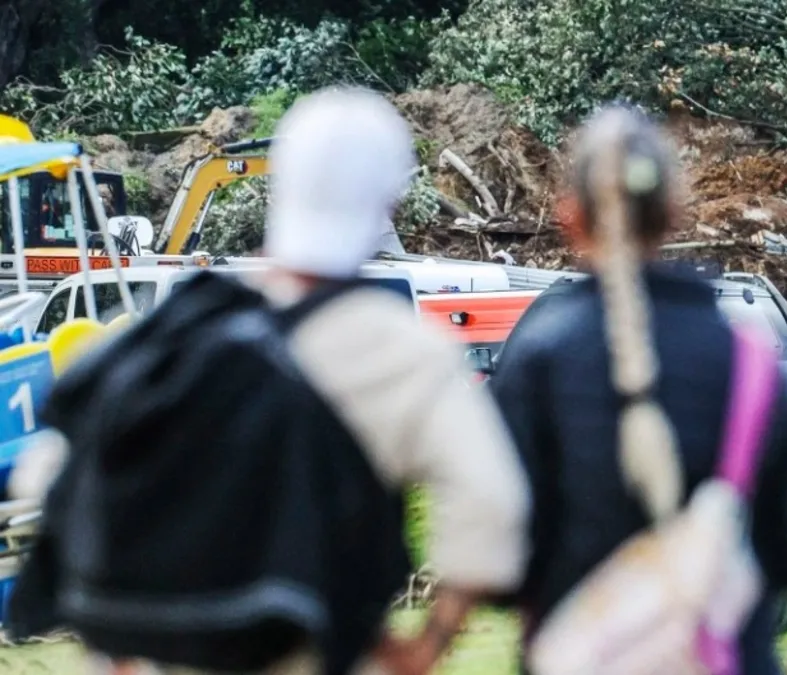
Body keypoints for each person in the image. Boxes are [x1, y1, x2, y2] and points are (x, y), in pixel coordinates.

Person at [7, 87, 531, 675]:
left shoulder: (184, 321)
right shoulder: (398, 349)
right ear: (390, 196)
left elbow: (45, 474)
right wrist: (428, 643)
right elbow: (492, 503)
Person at [488, 104, 787, 675]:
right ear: (674, 211)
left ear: (570, 217)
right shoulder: (749, 360)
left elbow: (494, 555)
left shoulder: (537, 363)